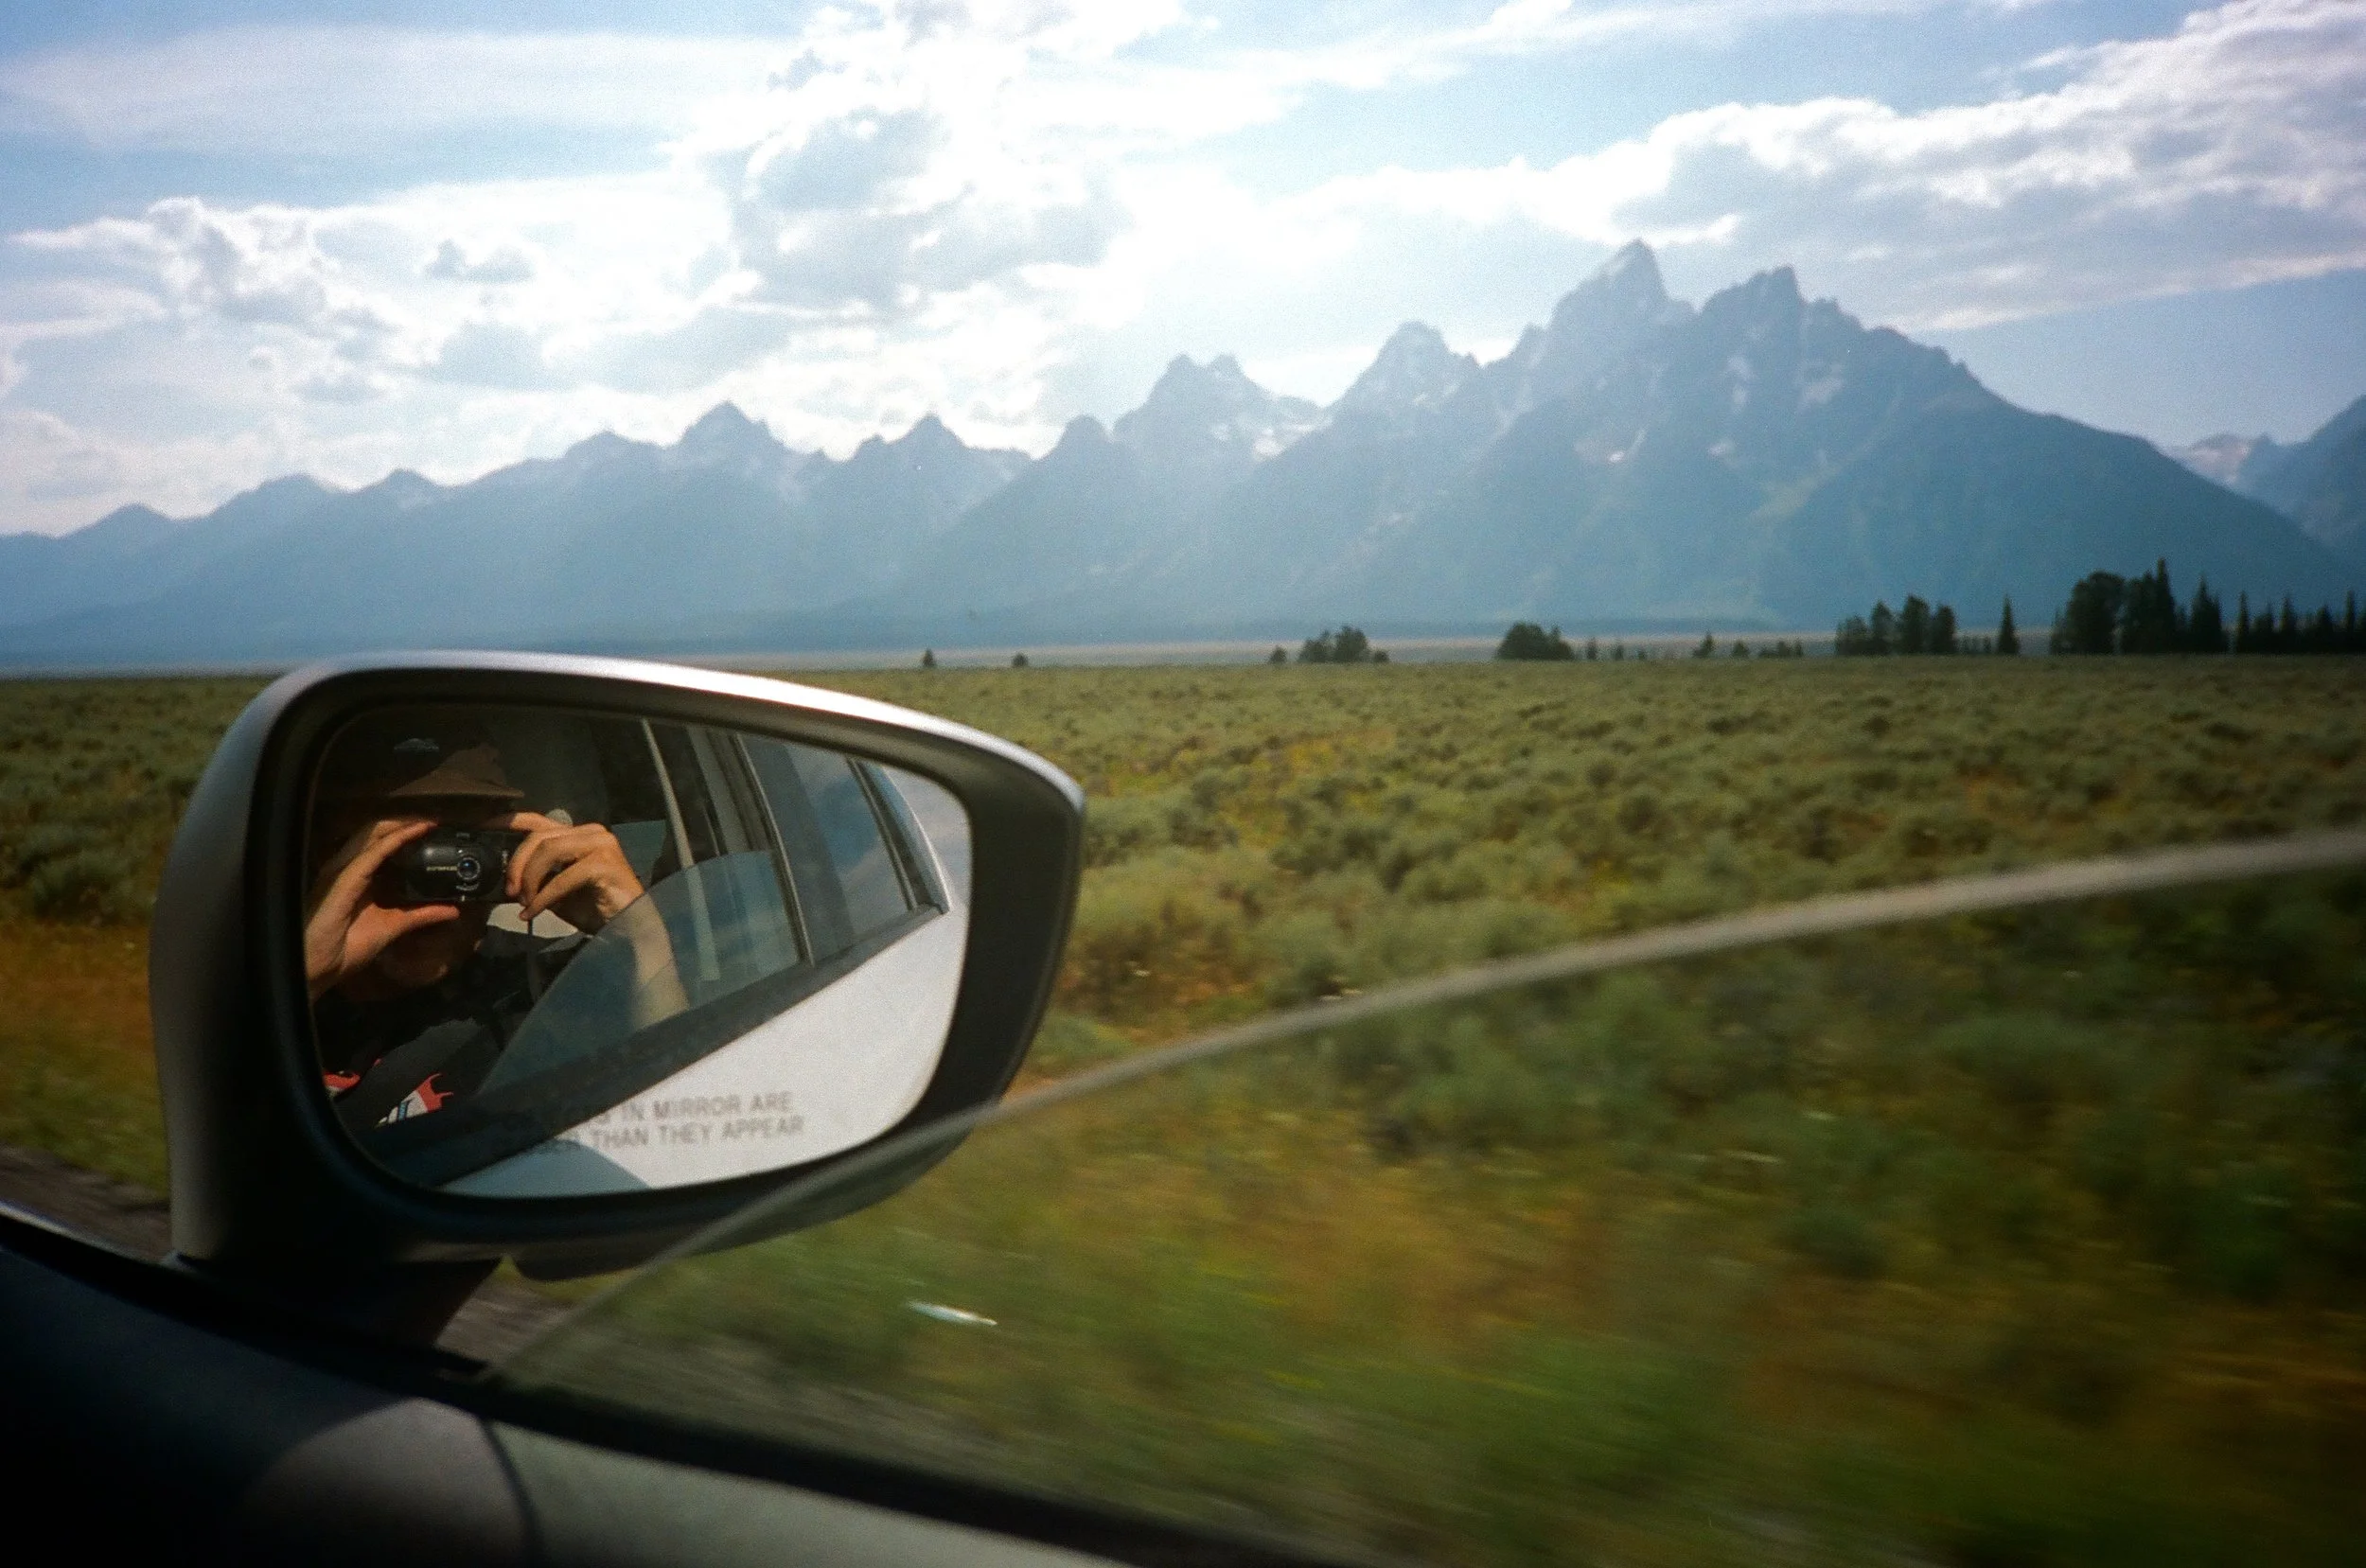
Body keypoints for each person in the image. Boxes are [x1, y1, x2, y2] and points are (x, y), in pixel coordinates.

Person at [304, 725, 683, 1129]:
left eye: (463, 851)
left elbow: (677, 1118)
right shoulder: (267, 988)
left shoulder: (553, 989)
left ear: (505, 852)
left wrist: (642, 934)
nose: (436, 880)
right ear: (327, 859)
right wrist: (303, 977)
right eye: (400, 852)